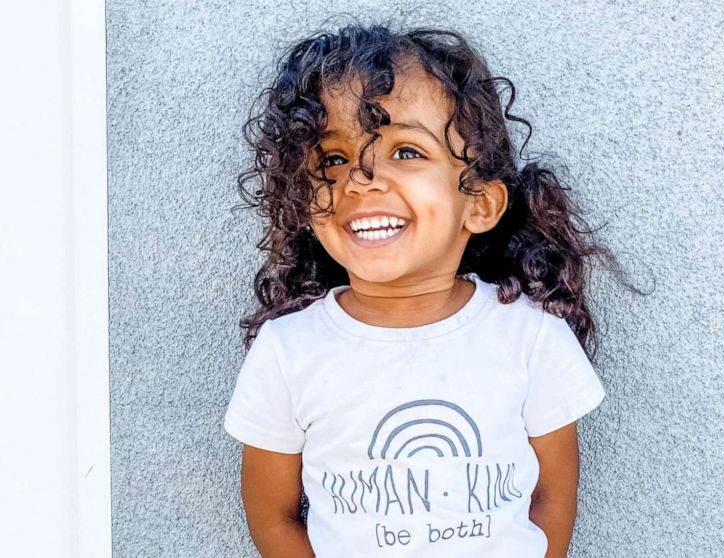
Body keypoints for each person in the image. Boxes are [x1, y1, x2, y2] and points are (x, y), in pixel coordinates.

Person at [224, 21, 633, 558]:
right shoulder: (288, 352)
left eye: (406, 151)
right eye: (333, 158)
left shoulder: (531, 339)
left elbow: (552, 497)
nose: (361, 179)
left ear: (480, 203)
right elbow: (273, 517)